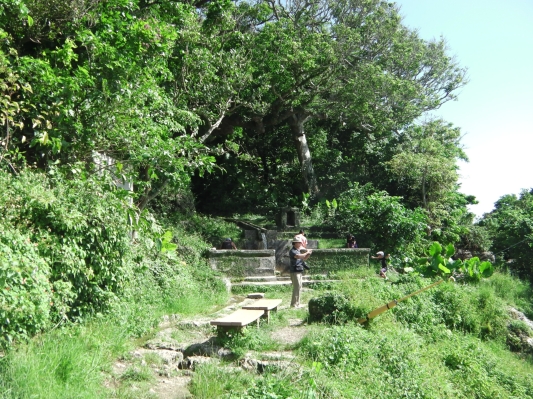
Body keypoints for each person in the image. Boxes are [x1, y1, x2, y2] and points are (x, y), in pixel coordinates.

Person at [288, 237, 312, 308]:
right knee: (297, 287)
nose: (300, 243)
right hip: (295, 271)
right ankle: (294, 304)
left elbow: (304, 258)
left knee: (299, 287)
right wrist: (307, 252)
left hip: (299, 271)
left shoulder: (298, 251)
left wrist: (308, 254)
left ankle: (297, 303)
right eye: (299, 242)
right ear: (294, 243)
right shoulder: (293, 251)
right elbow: (298, 256)